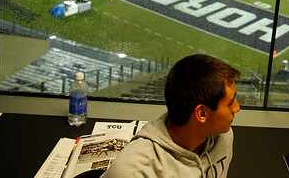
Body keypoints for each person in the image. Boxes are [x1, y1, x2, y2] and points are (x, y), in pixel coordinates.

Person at [103, 54, 240, 178]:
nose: (237, 108)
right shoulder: (133, 171)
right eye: (231, 102)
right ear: (202, 114)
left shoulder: (223, 138)